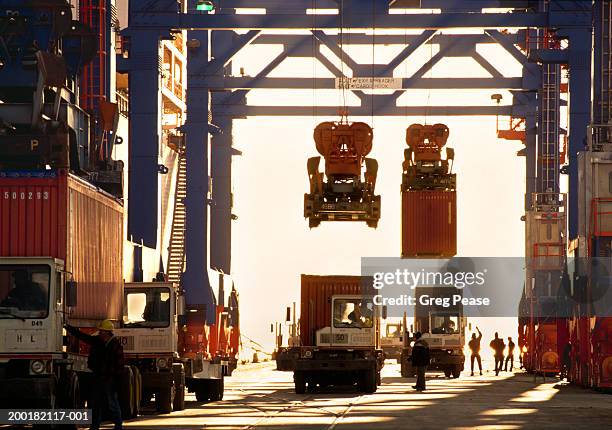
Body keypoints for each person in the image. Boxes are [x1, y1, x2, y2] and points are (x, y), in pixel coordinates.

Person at [65, 320, 124, 430]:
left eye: (101, 331)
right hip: (98, 377)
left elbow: (119, 366)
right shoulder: (98, 342)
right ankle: (95, 426)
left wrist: (116, 380)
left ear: (107, 332)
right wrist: (68, 328)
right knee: (95, 403)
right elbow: (82, 336)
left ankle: (118, 425)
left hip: (109, 379)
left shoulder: (116, 346)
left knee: (112, 403)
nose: (100, 333)